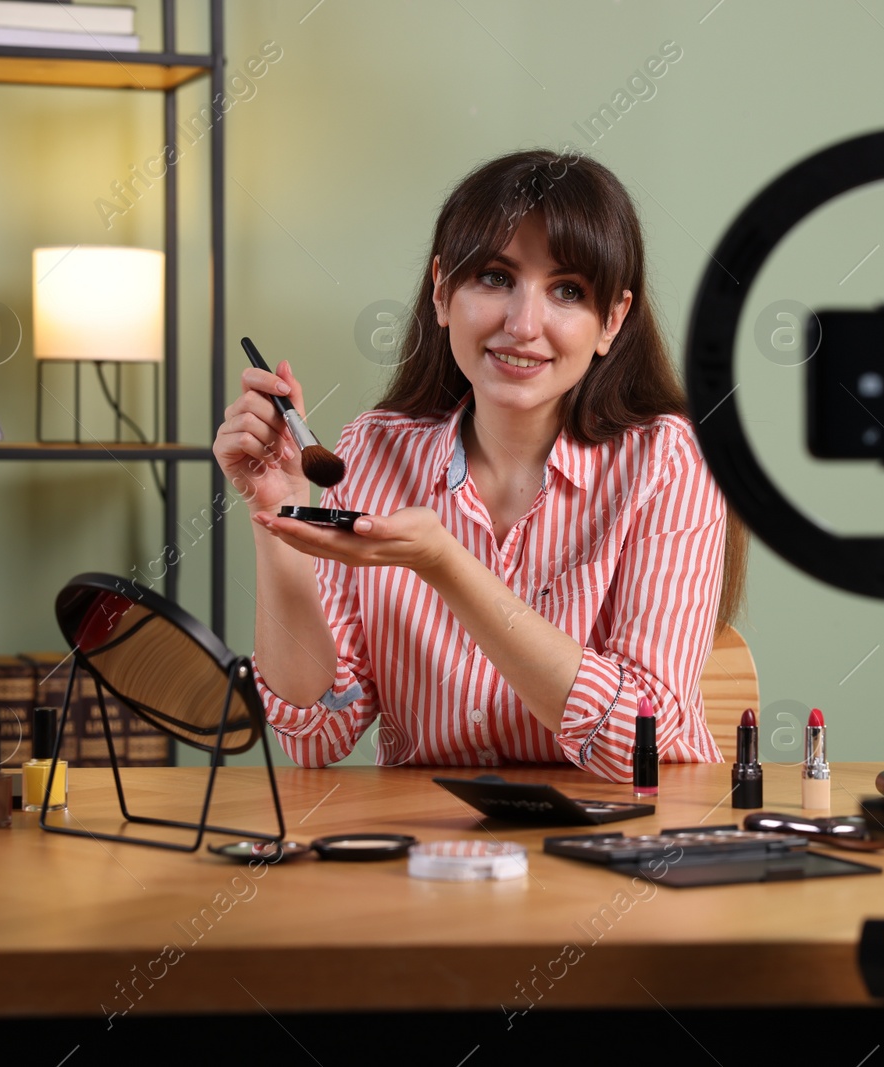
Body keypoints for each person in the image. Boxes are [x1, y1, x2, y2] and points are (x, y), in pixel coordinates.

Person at [212, 149, 746, 783]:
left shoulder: (668, 460)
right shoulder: (371, 454)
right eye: (495, 277)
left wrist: (447, 565)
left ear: (613, 320)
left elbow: (637, 740)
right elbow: (317, 730)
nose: (522, 324)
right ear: (442, 291)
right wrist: (276, 514)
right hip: (440, 853)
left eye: (568, 291)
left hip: (630, 846)